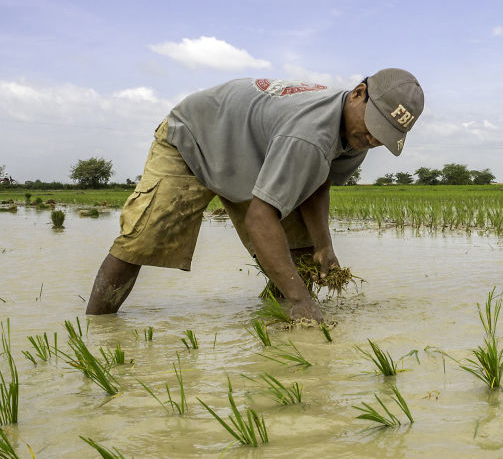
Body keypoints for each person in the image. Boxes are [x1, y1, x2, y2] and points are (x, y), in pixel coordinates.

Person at [86, 68, 425, 322]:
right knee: (143, 239)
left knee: (303, 253)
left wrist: (324, 245)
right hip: (195, 138)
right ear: (358, 93)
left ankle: (276, 330)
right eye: (372, 127)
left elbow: (316, 181)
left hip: (254, 155)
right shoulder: (310, 134)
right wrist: (301, 300)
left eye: (384, 135)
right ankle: (96, 329)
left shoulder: (356, 137)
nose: (372, 139)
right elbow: (260, 217)